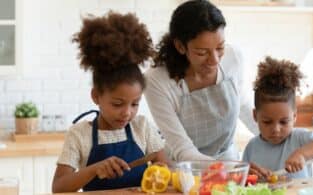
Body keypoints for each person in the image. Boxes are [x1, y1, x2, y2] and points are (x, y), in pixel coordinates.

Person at [52, 12, 168, 192]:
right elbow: (59, 187)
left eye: (135, 104)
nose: (127, 112)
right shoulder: (79, 135)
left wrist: (162, 170)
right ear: (96, 96)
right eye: (117, 104)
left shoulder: (142, 128)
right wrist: (94, 169)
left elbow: (164, 166)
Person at [144, 0, 258, 162]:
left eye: (220, 48)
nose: (215, 60)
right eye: (202, 52)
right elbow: (182, 148)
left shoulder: (234, 58)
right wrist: (232, 169)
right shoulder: (156, 80)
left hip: (229, 162)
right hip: (184, 171)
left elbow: (245, 107)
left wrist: (280, 138)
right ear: (180, 46)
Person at [242, 56, 313, 179]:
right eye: (267, 122)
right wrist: (248, 175)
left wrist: (302, 154)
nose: (276, 129)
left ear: (294, 117)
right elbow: (243, 179)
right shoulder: (252, 147)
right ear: (255, 116)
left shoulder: (299, 139)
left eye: (284, 122)